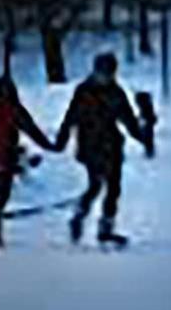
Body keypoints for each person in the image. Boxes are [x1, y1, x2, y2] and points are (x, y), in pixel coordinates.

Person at [55, 53, 151, 246]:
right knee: (96, 185)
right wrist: (62, 139)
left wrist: (143, 139)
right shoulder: (83, 91)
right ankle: (79, 216)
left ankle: (105, 229)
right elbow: (70, 116)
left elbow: (128, 119)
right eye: (104, 72)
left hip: (112, 145)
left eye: (110, 73)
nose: (107, 77)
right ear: (96, 71)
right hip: (90, 145)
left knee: (114, 188)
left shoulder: (116, 92)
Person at [0, 75, 54, 247]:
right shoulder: (13, 108)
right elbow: (30, 128)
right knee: (2, 190)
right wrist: (48, 145)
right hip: (3, 155)